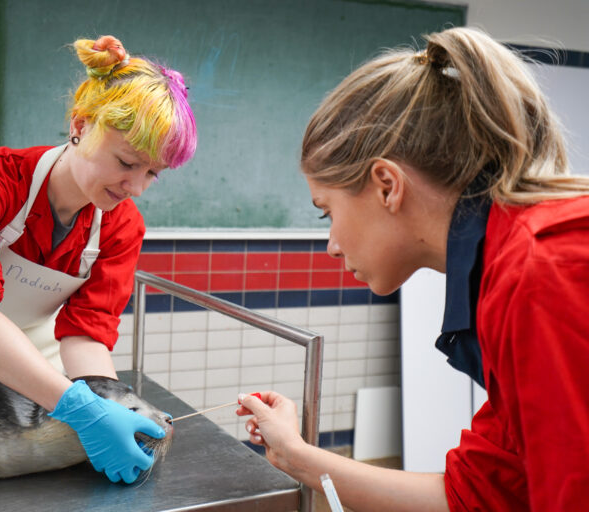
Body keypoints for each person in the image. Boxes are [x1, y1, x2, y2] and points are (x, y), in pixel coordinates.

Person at [237, 26, 589, 511]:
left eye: (328, 212)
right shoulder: (503, 272)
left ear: (387, 185)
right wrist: (296, 456)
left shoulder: (540, 268)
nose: (332, 245)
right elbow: (479, 492)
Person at [0, 35, 197, 484]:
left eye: (152, 174)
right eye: (127, 162)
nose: (136, 188)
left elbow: (85, 338)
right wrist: (78, 409)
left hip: (25, 382)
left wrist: (109, 404)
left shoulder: (121, 227)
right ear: (81, 124)